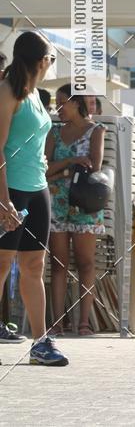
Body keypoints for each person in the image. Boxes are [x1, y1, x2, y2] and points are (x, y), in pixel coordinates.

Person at [0, 31, 68, 365]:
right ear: (42, 61)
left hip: (36, 188)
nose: (50, 66)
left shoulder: (37, 96)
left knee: (34, 265)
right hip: (9, 189)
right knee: (0, 265)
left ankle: (41, 343)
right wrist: (3, 200)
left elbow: (34, 140)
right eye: (51, 60)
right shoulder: (7, 91)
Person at [45, 84, 105, 336]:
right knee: (58, 264)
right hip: (57, 204)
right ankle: (57, 322)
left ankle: (84, 323)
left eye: (62, 103)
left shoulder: (96, 130)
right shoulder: (53, 132)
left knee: (86, 262)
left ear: (76, 102)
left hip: (84, 204)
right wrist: (70, 164)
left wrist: (61, 171)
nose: (57, 108)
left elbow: (95, 165)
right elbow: (45, 170)